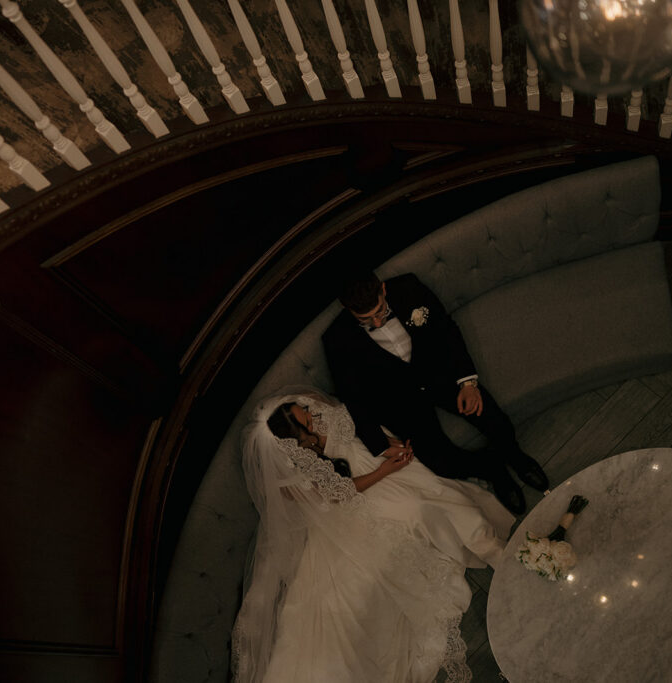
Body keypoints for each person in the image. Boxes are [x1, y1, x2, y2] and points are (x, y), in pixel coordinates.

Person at [231, 388, 514, 683]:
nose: (314, 417)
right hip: (361, 490)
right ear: (294, 441)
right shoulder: (290, 471)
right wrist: (384, 470)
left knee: (432, 500)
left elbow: (353, 411)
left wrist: (384, 444)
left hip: (377, 456)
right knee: (412, 513)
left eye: (307, 412)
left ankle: (488, 545)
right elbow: (337, 495)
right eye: (308, 422)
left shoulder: (310, 405)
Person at [321, 271, 548, 514]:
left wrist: (467, 384)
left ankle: (516, 457)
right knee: (442, 463)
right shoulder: (336, 338)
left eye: (379, 312)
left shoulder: (409, 288)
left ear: (383, 290)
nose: (376, 323)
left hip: (439, 373)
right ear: (346, 307)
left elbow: (446, 329)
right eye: (365, 318)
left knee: (494, 419)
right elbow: (352, 396)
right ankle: (494, 471)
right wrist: (379, 443)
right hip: (399, 399)